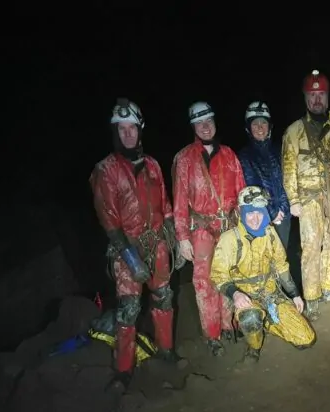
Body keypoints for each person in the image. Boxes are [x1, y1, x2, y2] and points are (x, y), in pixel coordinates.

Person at [90, 98, 181, 389]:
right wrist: (131, 259)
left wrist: (174, 240)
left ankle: (166, 350)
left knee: (164, 296)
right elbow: (109, 222)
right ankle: (123, 369)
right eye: (122, 129)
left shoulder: (152, 165)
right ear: (116, 132)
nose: (128, 134)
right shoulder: (105, 170)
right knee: (129, 309)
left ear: (140, 130)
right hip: (126, 248)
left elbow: (165, 205)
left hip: (157, 244)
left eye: (132, 128)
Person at [173, 101, 246, 356]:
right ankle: (212, 334)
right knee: (204, 282)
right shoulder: (184, 159)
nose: (205, 127)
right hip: (201, 229)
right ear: (193, 127)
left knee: (228, 274)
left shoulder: (229, 155)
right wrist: (182, 237)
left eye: (209, 121)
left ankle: (228, 325)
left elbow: (241, 192)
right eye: (199, 123)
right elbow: (180, 201)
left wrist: (243, 227)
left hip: (227, 227)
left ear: (215, 122)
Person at [210, 186, 316, 362]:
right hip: (247, 298)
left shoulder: (270, 233)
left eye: (259, 212)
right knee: (251, 317)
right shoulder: (229, 239)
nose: (255, 218)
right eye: (250, 213)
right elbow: (218, 275)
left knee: (306, 338)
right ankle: (254, 346)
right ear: (241, 212)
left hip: (271, 294)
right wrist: (235, 294)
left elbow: (281, 265)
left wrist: (294, 294)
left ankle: (266, 321)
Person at [282, 69, 330, 321]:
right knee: (311, 246)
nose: (317, 99)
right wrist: (293, 200)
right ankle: (312, 296)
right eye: (312, 95)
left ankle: (329, 286)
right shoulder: (294, 131)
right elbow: (288, 168)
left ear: (328, 97)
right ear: (305, 98)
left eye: (321, 94)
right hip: (309, 199)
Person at [237, 101, 291, 250]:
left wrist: (284, 209)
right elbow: (251, 187)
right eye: (255, 124)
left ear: (270, 126)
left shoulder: (280, 150)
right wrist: (272, 212)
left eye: (263, 123)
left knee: (281, 256)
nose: (260, 128)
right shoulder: (244, 156)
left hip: (283, 216)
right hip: (259, 217)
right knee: (262, 257)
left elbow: (288, 179)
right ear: (248, 128)